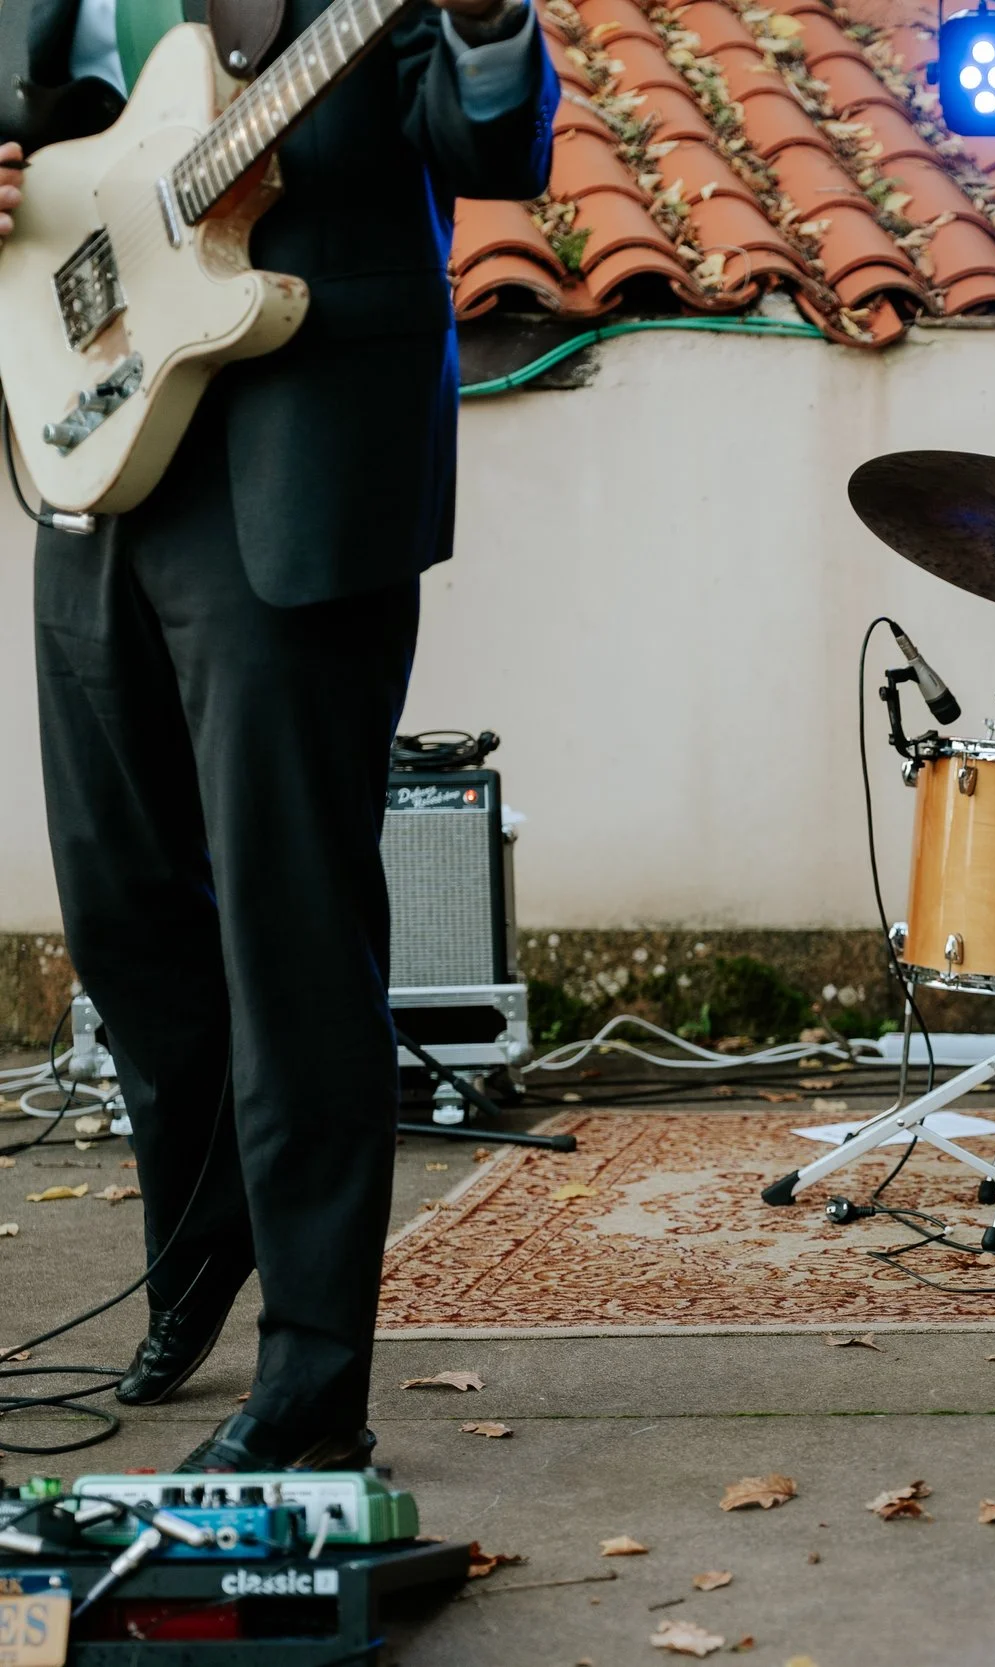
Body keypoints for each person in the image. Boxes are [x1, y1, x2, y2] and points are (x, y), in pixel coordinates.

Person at [0, 0, 557, 1471]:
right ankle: (202, 1244)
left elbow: (490, 142)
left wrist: (496, 28)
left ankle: (314, 1381)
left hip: (302, 463)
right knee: (120, 913)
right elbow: (35, 110)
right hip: (102, 449)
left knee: (291, 930)